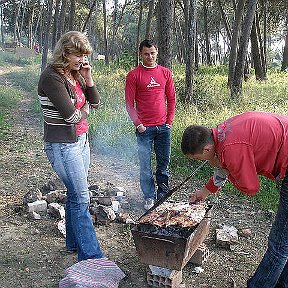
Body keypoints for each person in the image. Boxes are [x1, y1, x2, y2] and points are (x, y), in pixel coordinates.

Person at [181, 111, 288, 288]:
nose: (201, 162)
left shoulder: (231, 148)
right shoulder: (221, 134)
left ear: (207, 149)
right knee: (284, 241)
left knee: (279, 244)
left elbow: (251, 188)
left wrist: (225, 168)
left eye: (197, 158)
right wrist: (205, 191)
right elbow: (225, 166)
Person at [38, 31, 103, 262]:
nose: (82, 59)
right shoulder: (51, 77)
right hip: (63, 146)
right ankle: (91, 257)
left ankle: (73, 244)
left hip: (82, 142)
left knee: (76, 195)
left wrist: (88, 76)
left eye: (85, 55)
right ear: (65, 52)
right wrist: (83, 113)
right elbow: (71, 117)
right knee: (82, 197)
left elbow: (95, 103)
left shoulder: (76, 74)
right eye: (78, 55)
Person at [125, 39, 176, 210]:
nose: (150, 56)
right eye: (146, 53)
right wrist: (138, 124)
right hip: (144, 129)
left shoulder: (165, 73)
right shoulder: (134, 75)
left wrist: (169, 122)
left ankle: (162, 195)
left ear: (157, 52)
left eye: (153, 53)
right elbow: (129, 104)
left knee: (163, 164)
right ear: (141, 54)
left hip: (163, 128)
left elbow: (172, 99)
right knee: (145, 166)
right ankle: (148, 196)